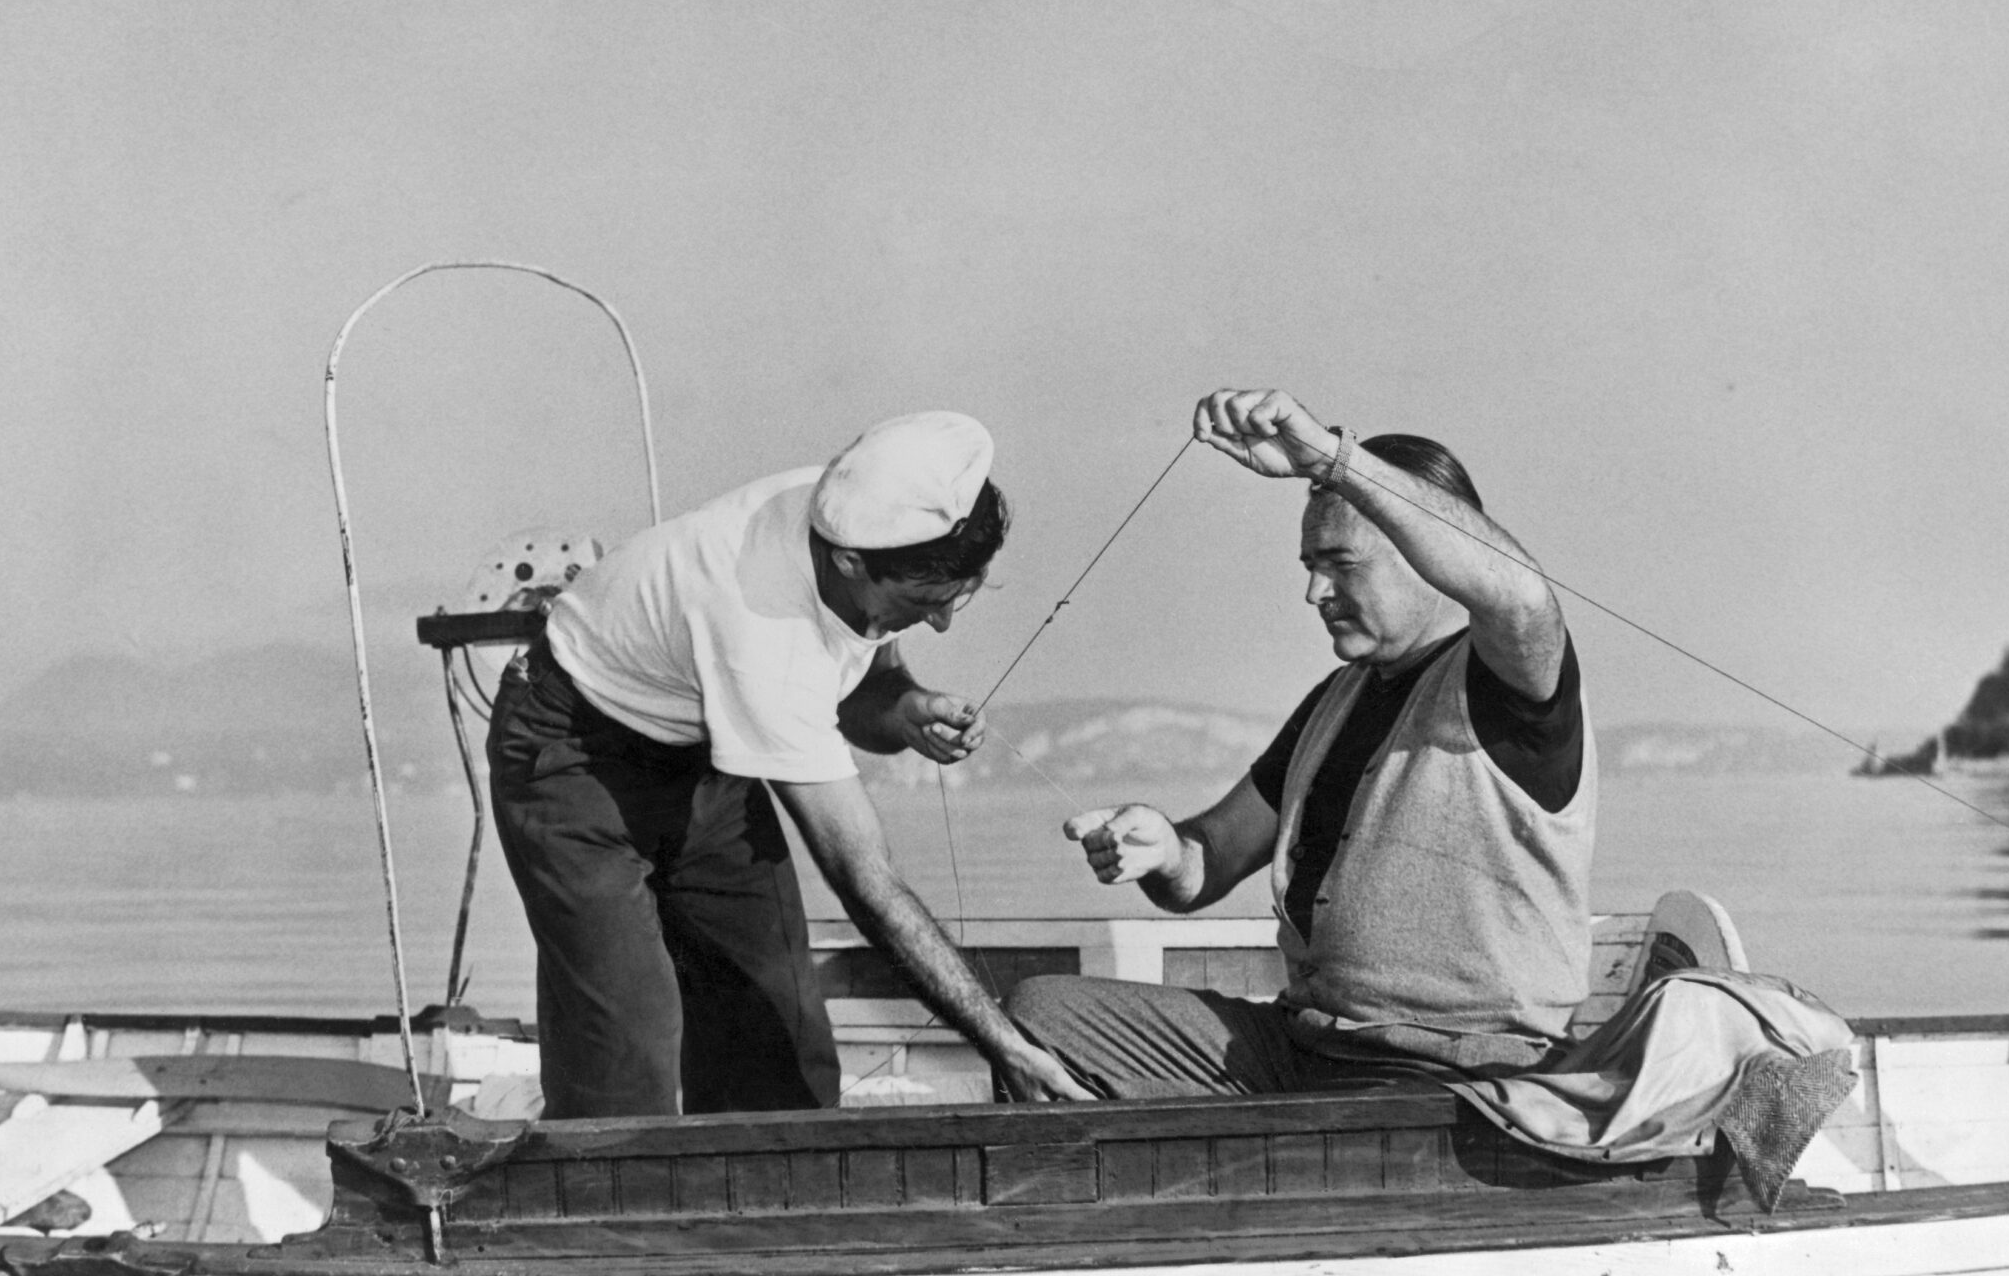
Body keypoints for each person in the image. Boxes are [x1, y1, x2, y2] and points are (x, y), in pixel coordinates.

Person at [489, 411, 1094, 1118]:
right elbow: (865, 881)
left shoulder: (861, 509)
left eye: (960, 595)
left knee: (782, 1035)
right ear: (849, 562)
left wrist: (904, 707)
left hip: (702, 753)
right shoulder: (760, 630)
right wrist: (1007, 1047)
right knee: (626, 1055)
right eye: (924, 603)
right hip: (571, 754)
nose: (941, 625)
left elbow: (862, 682)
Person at [1006, 387, 1594, 1095]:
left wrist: (1334, 457)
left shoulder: (1508, 685)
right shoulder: (1337, 699)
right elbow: (1208, 863)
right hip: (1306, 1047)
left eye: (1342, 564)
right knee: (1037, 1015)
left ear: (1429, 559)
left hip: (1462, 1071)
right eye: (1311, 566)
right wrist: (1161, 847)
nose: (1315, 592)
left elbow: (1523, 598)